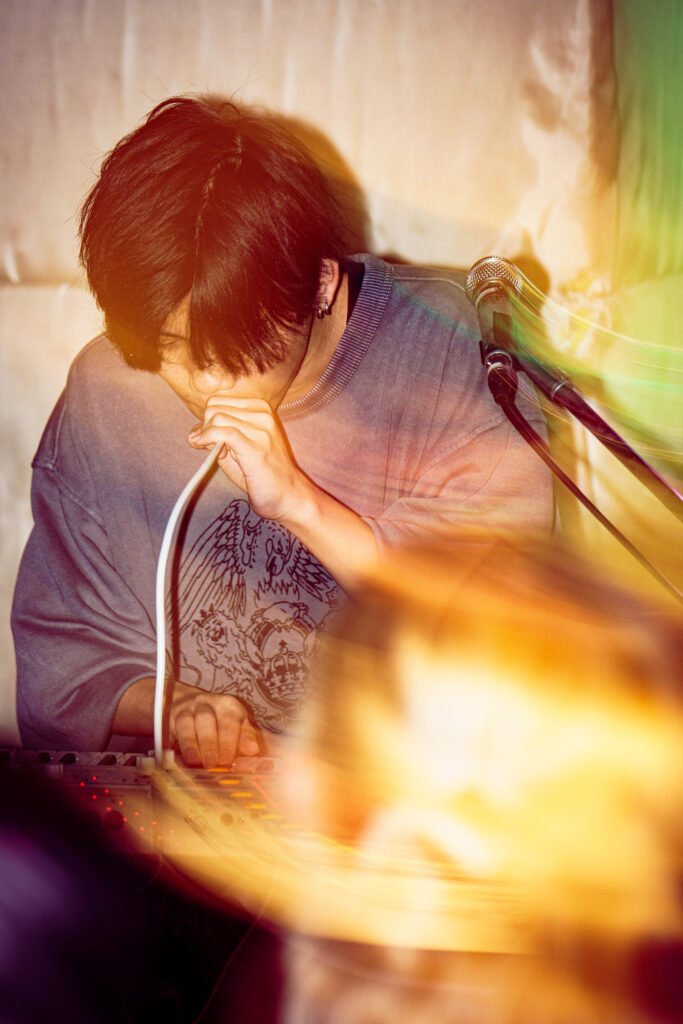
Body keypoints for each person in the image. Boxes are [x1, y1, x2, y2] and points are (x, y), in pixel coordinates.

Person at [12, 95, 552, 767]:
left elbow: (506, 633)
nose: (203, 383)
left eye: (233, 349)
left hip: (405, 799)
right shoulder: (111, 387)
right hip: (189, 808)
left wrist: (300, 503)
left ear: (320, 281)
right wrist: (174, 707)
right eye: (170, 349)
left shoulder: (451, 351)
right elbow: (64, 661)